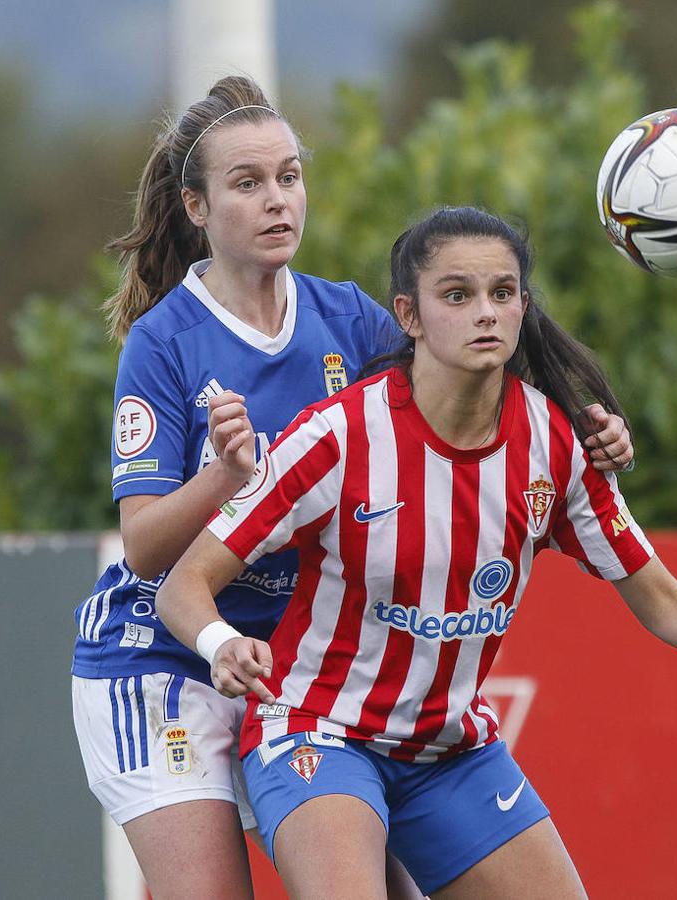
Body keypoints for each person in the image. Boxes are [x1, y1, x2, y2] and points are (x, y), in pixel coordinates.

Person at [155, 206, 677, 898]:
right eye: (457, 296)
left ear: (524, 306)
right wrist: (220, 643)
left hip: (449, 754)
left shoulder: (555, 444)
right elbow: (182, 585)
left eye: (502, 294)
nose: (485, 312)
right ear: (408, 316)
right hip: (319, 734)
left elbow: (665, 602)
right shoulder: (338, 437)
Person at [69, 80, 634, 900]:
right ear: (196, 206)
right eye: (248, 183)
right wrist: (225, 477)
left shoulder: (349, 318)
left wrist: (586, 424)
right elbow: (150, 549)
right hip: (167, 661)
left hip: (296, 679)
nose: (278, 201)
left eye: (290, 177)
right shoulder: (165, 344)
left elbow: (469, 372)